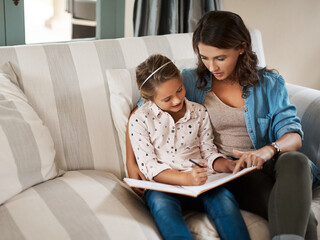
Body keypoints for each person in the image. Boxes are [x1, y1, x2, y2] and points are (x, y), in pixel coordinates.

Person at [127, 11, 319, 240]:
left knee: (296, 160)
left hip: (269, 161)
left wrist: (267, 151)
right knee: (302, 217)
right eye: (204, 57)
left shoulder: (270, 84)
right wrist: (131, 162)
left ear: (241, 47)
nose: (211, 67)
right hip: (234, 172)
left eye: (219, 58)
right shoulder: (190, 80)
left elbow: (293, 136)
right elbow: (142, 109)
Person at [128, 54, 251, 240]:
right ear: (149, 99)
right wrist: (185, 178)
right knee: (162, 207)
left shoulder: (199, 112)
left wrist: (228, 165)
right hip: (162, 186)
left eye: (179, 90)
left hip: (202, 182)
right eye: (167, 98)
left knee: (224, 200)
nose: (177, 100)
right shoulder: (140, 120)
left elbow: (209, 152)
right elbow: (149, 166)